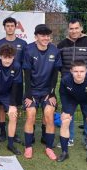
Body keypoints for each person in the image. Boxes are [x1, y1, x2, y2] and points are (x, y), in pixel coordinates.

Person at [57, 18, 87, 148]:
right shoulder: (62, 44)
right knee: (67, 112)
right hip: (69, 85)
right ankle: (69, 138)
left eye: (76, 28)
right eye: (71, 28)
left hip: (86, 84)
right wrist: (66, 74)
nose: (74, 31)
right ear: (68, 29)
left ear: (81, 28)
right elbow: (58, 63)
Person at [22, 24, 61, 160]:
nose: (45, 38)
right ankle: (28, 147)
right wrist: (28, 95)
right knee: (31, 114)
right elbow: (26, 74)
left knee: (49, 114)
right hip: (32, 91)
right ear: (36, 36)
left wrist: (51, 93)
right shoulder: (28, 50)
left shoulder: (55, 51)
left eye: (47, 35)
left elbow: (55, 75)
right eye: (42, 35)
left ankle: (49, 148)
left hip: (46, 91)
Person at [57, 60, 87, 168]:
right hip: (71, 99)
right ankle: (64, 152)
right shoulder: (65, 80)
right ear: (71, 71)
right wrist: (66, 111)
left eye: (81, 71)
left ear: (86, 71)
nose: (79, 74)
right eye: (76, 71)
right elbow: (63, 94)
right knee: (65, 121)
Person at [0, 17, 27, 143]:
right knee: (2, 107)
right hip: (2, 80)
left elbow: (25, 62)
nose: (10, 28)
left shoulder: (22, 44)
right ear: (4, 27)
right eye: (7, 26)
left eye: (12, 26)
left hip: (16, 80)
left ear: (15, 27)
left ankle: (14, 133)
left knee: (14, 107)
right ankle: (2, 132)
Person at [0, 44, 23, 155]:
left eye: (10, 57)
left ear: (13, 57)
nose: (7, 60)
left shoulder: (17, 66)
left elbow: (16, 86)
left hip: (8, 94)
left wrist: (12, 104)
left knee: (13, 115)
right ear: (0, 56)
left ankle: (11, 144)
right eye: (5, 57)